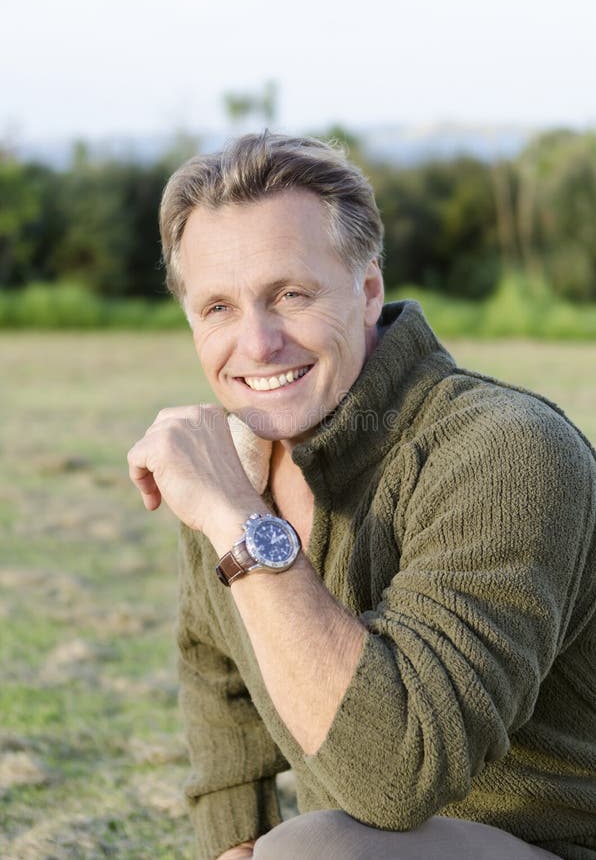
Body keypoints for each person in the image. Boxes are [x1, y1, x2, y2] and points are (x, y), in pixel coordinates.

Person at [127, 132, 596, 860]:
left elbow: (397, 778)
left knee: (316, 851)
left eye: (289, 295)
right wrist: (235, 842)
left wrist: (241, 522)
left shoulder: (507, 450)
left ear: (368, 289)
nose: (256, 344)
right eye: (217, 307)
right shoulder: (232, 461)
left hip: (551, 844)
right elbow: (214, 670)